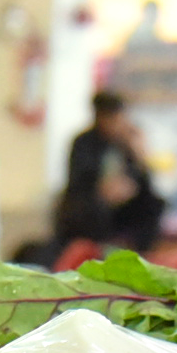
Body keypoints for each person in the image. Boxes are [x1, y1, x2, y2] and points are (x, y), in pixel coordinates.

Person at [54, 90, 165, 253]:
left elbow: (146, 183)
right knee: (89, 208)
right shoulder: (83, 143)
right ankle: (97, 252)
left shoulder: (127, 141)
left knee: (154, 204)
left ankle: (140, 253)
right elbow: (78, 180)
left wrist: (139, 155)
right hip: (92, 202)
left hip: (124, 205)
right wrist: (102, 189)